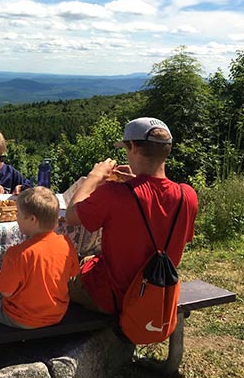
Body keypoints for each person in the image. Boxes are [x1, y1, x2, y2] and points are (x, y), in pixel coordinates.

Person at [65, 117, 198, 315]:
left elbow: (71, 216)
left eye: (126, 149)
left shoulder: (114, 193)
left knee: (56, 276)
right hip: (157, 291)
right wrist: (136, 182)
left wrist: (94, 177)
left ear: (134, 147)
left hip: (113, 296)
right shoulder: (186, 195)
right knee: (87, 259)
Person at [0, 187, 79, 329]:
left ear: (32, 219)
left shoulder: (18, 253)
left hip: (21, 318)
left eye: (18, 214)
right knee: (25, 273)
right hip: (56, 315)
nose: (16, 218)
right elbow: (71, 276)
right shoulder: (66, 244)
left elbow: (6, 292)